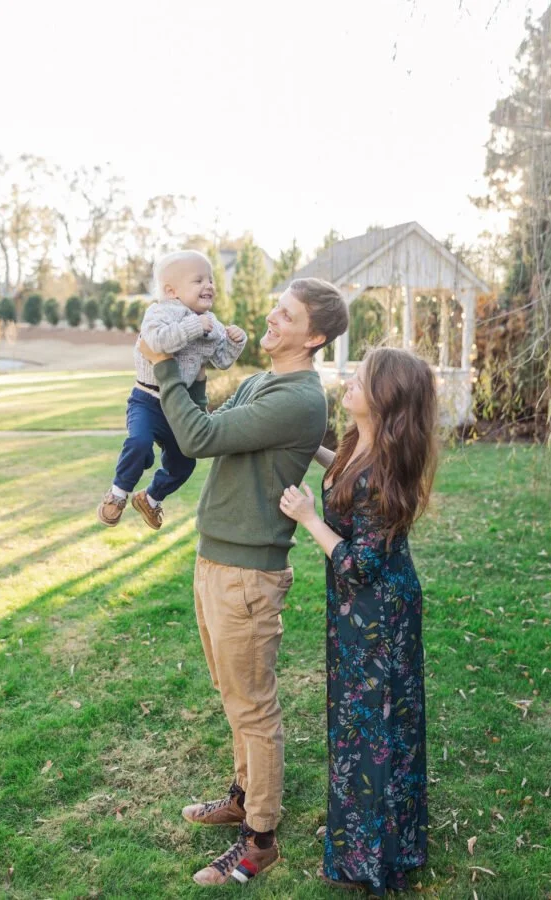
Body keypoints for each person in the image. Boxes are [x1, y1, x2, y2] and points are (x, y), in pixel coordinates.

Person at [138, 277, 349, 886]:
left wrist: (165, 368)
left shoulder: (300, 399)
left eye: (285, 314)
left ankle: (259, 838)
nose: (270, 316)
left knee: (254, 708)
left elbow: (197, 437)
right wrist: (188, 365)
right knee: (234, 697)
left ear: (313, 337)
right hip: (216, 561)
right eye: (275, 307)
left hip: (248, 575)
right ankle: (241, 793)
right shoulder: (264, 381)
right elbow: (206, 421)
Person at [281, 347, 437, 896]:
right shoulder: (360, 445)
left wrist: (306, 519)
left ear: (386, 398)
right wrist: (311, 450)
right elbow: (346, 478)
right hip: (357, 613)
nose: (348, 381)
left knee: (374, 726)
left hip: (379, 616)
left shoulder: (388, 471)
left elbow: (358, 562)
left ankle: (376, 853)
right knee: (355, 721)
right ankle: (364, 834)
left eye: (361, 378)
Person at [97, 250, 246, 530]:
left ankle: (151, 499)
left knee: (185, 462)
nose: (209, 285)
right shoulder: (158, 312)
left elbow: (222, 360)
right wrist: (193, 326)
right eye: (199, 280)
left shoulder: (210, 323)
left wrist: (235, 341)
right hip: (147, 399)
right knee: (139, 443)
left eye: (211, 279)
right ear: (171, 291)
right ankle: (117, 494)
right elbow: (157, 343)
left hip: (176, 406)